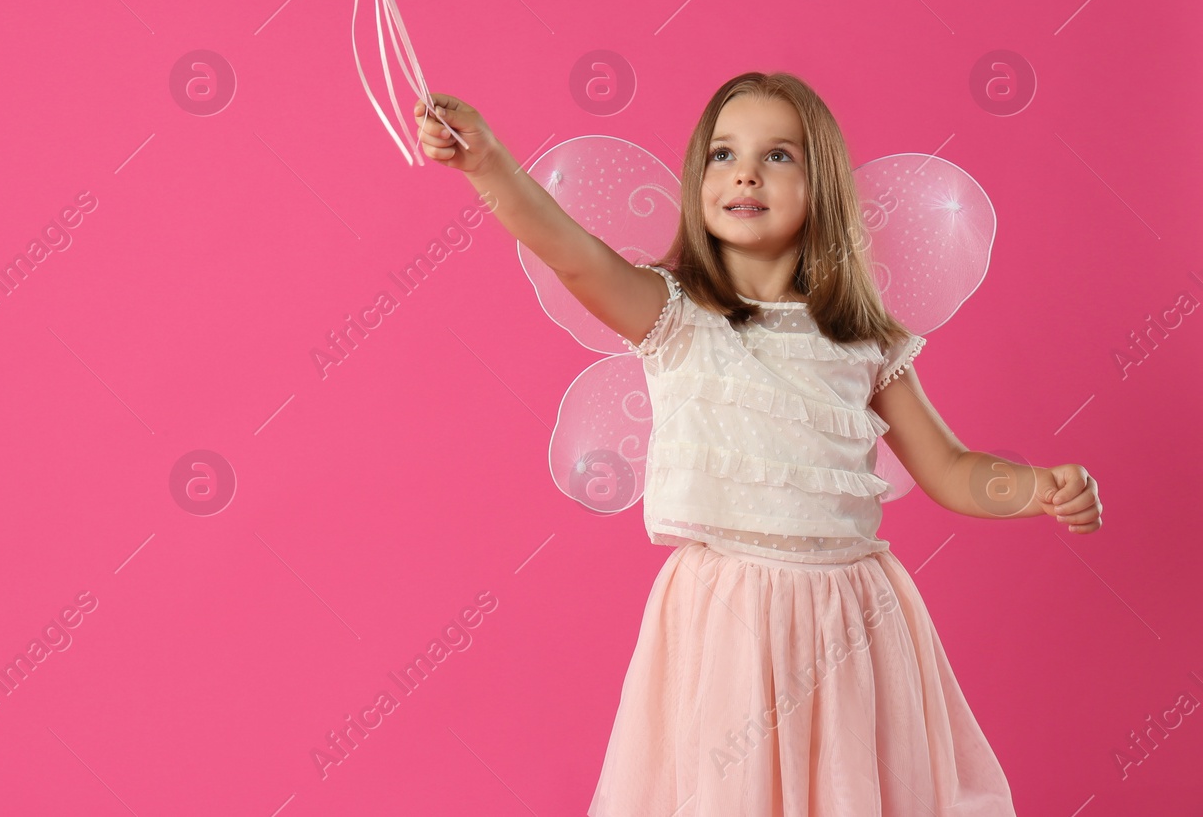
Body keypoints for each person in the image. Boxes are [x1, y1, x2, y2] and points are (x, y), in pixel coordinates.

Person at [413, 72, 1102, 816]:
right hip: (727, 622)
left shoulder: (862, 340)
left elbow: (950, 468)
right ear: (697, 180)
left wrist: (1034, 487)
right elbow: (572, 253)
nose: (745, 170)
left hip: (851, 620)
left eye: (778, 156)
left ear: (823, 186)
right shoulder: (671, 316)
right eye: (722, 154)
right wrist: (488, 165)